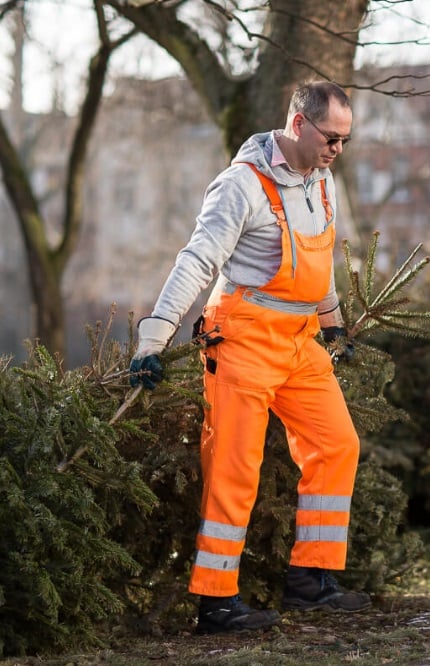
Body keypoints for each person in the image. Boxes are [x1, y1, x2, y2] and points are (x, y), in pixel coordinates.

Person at [129, 81, 370, 634]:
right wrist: (154, 338)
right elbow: (197, 261)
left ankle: (311, 580)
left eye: (345, 140)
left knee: (337, 445)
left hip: (299, 340)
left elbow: (321, 264)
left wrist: (333, 325)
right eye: (331, 137)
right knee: (234, 468)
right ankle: (216, 603)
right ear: (298, 123)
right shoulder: (241, 185)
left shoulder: (323, 180)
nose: (337, 149)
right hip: (242, 337)